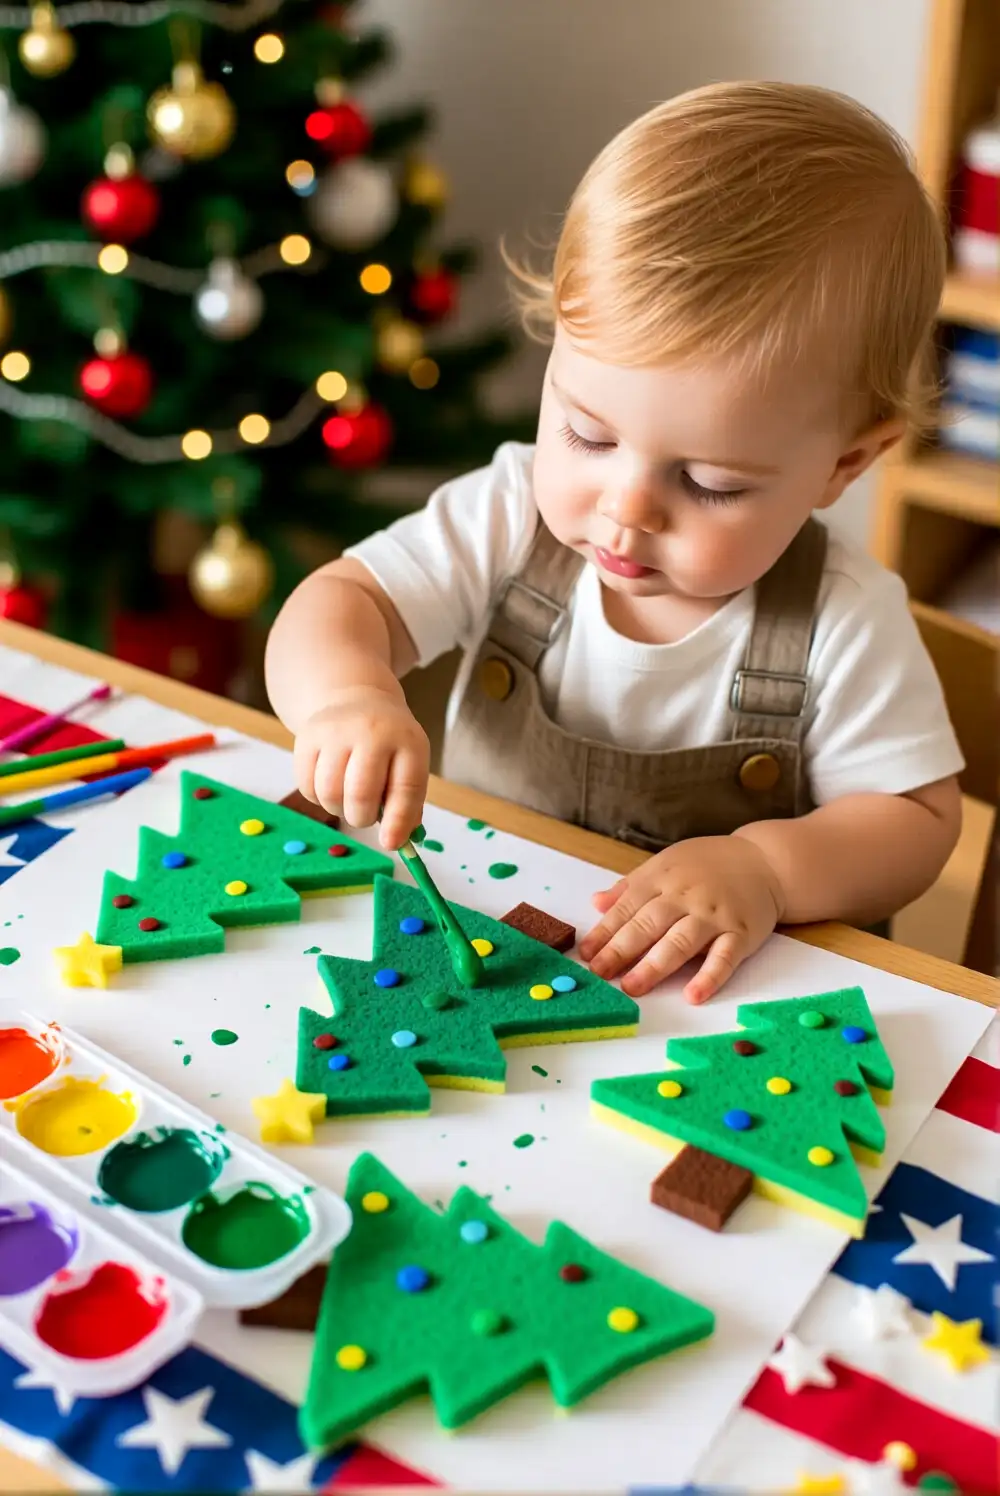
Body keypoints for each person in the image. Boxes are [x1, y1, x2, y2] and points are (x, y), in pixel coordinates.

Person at [266, 81, 963, 1005]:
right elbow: (341, 603)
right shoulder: (511, 511)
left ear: (845, 463)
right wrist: (346, 698)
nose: (624, 508)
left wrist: (768, 869)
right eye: (589, 435)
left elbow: (916, 822)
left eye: (710, 483)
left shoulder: (840, 617)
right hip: (474, 956)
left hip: (701, 1009)